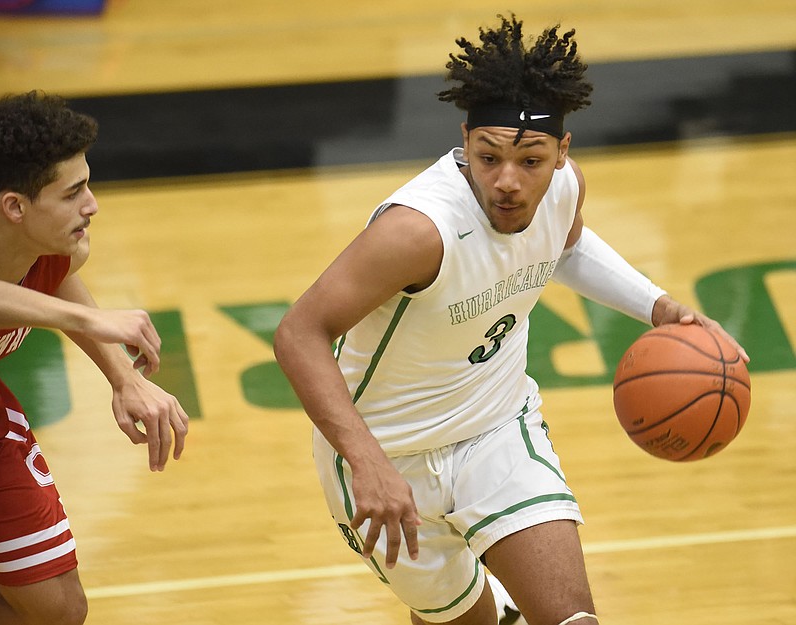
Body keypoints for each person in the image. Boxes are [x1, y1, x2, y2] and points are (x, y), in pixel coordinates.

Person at [274, 15, 748, 625]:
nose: (507, 181)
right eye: (488, 156)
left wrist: (656, 306)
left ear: (561, 152)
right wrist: (366, 462)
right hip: (386, 454)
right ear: (464, 139)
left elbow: (567, 246)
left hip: (497, 431)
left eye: (531, 160)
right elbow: (298, 334)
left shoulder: (564, 190)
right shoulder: (418, 231)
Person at [0, 91, 189, 625]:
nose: (92, 204)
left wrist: (122, 377)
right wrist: (91, 321)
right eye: (73, 192)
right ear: (14, 206)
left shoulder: (63, 246)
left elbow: (58, 276)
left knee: (58, 610)